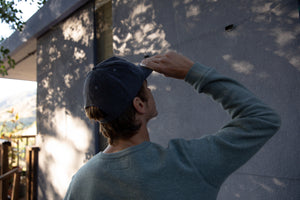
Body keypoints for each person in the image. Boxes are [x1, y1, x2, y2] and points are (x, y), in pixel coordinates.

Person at [64, 51, 281, 200]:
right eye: (146, 87)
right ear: (139, 104)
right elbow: (262, 119)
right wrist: (193, 72)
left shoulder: (82, 182)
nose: (150, 91)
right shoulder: (189, 164)